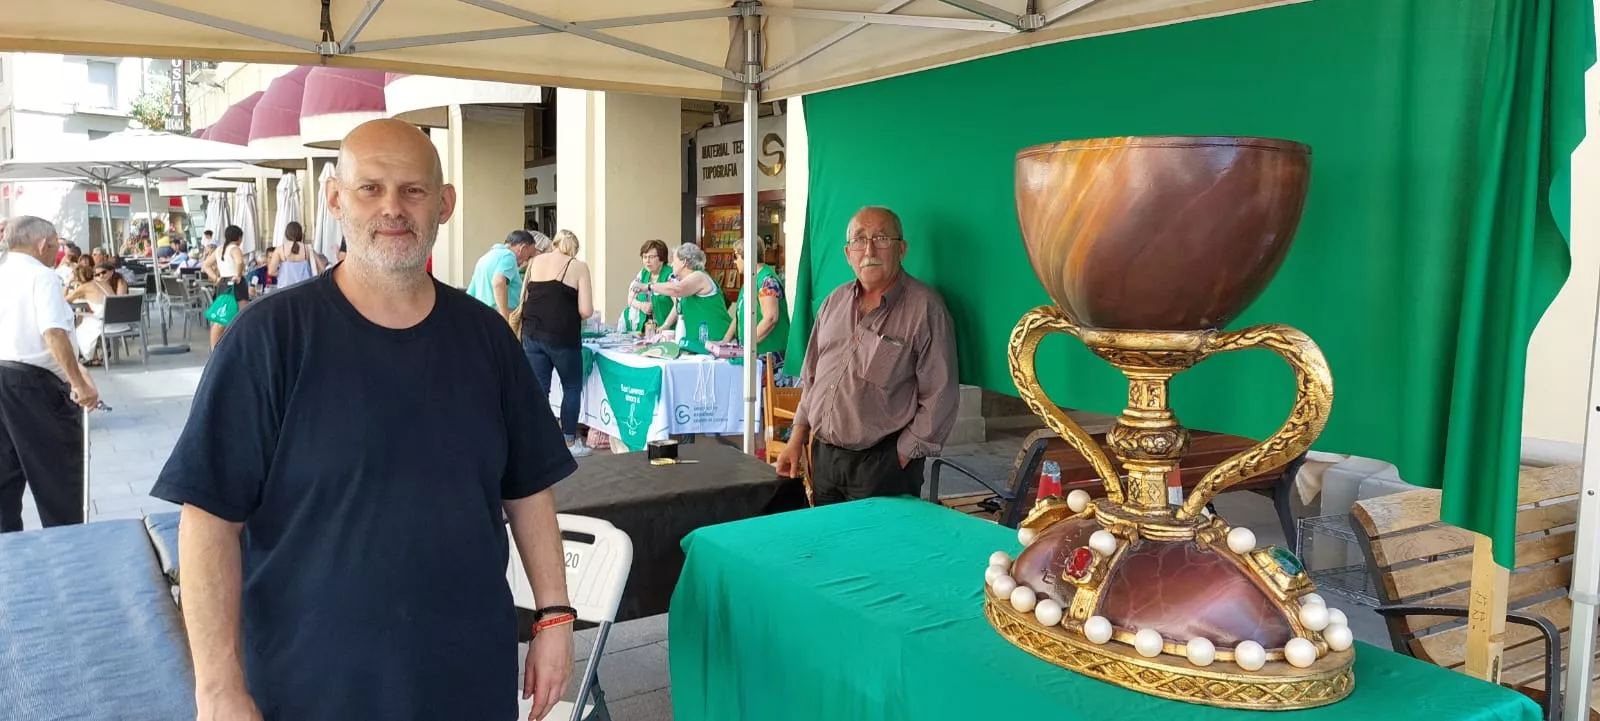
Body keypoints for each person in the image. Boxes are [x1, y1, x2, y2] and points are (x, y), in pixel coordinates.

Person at [149, 119, 578, 721]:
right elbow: (207, 520)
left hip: (466, 675)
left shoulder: (486, 338)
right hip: (310, 683)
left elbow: (529, 486)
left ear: (445, 204)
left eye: (413, 190)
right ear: (335, 199)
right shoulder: (269, 339)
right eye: (370, 188)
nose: (393, 209)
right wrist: (218, 687)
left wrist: (554, 615)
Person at [775, 206, 959, 504]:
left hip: (883, 464)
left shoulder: (925, 309)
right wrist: (796, 439)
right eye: (860, 240)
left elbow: (940, 397)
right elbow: (812, 379)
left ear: (902, 249)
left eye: (882, 238)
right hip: (824, 459)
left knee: (879, 549)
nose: (869, 249)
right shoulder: (832, 303)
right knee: (830, 546)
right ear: (848, 253)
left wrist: (899, 457)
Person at [0, 216, 101, 531]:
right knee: (59, 480)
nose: (55, 253)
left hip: (4, 375)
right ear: (42, 244)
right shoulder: (42, 276)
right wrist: (76, 382)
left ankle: (9, 555)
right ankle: (68, 554)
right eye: (55, 247)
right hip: (34, 386)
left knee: (5, 478)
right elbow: (53, 332)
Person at [519, 229, 595, 458]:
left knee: (539, 387)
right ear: (574, 249)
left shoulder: (535, 261)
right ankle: (569, 442)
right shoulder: (578, 266)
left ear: (554, 243)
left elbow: (526, 296)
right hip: (562, 336)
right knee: (571, 387)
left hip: (532, 332)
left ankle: (536, 439)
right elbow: (586, 310)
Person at [639, 243, 731, 353]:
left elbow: (676, 290)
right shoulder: (685, 282)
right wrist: (665, 326)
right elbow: (678, 305)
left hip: (717, 341)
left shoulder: (699, 276)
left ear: (684, 262)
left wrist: (648, 286)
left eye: (674, 260)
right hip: (699, 344)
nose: (672, 264)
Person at [722, 244, 791, 366]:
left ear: (747, 257)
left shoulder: (766, 280)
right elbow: (738, 315)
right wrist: (724, 341)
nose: (734, 261)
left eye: (735, 256)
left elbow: (770, 318)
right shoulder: (750, 280)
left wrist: (748, 344)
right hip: (754, 353)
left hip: (769, 356)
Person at [66, 262, 134, 364]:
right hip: (120, 321)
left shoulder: (84, 287)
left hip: (106, 324)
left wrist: (67, 284)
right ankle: (95, 355)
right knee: (86, 320)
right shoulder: (102, 282)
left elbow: (65, 300)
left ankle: (91, 357)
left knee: (80, 327)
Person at [467, 229, 543, 320]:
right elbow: (498, 282)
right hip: (499, 318)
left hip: (483, 316)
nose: (527, 260)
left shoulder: (484, 259)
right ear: (523, 248)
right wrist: (504, 316)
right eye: (529, 256)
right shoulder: (509, 256)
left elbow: (470, 294)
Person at [204, 225, 250, 349]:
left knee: (221, 317)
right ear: (239, 237)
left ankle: (214, 347)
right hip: (236, 283)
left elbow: (206, 265)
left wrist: (216, 278)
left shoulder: (219, 249)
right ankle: (241, 344)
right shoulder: (235, 248)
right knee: (242, 315)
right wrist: (239, 274)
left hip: (223, 283)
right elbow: (239, 262)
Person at [620, 239, 677, 335]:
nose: (647, 261)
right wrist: (641, 305)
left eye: (651, 257)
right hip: (645, 329)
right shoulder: (642, 274)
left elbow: (678, 304)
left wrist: (666, 325)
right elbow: (630, 299)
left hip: (667, 331)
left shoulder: (670, 275)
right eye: (644, 257)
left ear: (661, 259)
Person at [267, 222, 325, 290]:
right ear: (300, 233)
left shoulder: (280, 250)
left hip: (285, 289)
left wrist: (283, 272)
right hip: (305, 288)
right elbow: (322, 268)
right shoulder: (308, 249)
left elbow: (271, 271)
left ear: (286, 234)